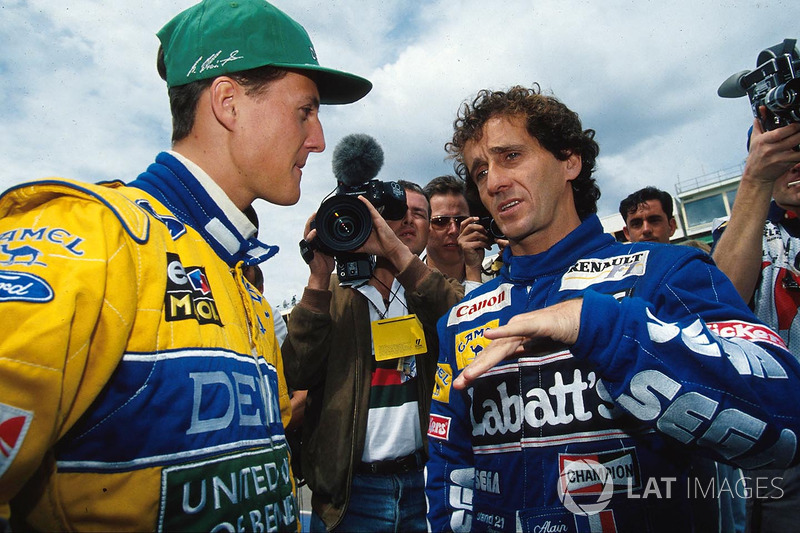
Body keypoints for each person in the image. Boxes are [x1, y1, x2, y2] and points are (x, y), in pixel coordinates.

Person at [0, 1, 371, 531]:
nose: (318, 139)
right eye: (304, 110)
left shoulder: (239, 277)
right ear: (228, 103)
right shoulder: (90, 240)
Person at [425, 85, 800, 533]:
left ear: (570, 160)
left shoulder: (665, 270)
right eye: (480, 169)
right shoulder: (465, 316)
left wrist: (602, 326)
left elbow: (784, 413)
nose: (493, 181)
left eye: (511, 156)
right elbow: (450, 464)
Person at [281, 181, 464, 532]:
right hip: (350, 496)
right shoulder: (333, 292)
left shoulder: (432, 289)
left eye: (421, 214)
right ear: (375, 219)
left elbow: (459, 329)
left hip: (422, 486)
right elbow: (297, 373)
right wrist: (319, 276)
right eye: (399, 213)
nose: (409, 221)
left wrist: (398, 256)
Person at [711, 115, 800, 533]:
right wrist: (755, 181)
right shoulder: (745, 232)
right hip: (785, 451)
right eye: (779, 154)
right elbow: (718, 301)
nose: (793, 163)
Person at [422, 175, 491, 286]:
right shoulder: (406, 284)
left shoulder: (496, 283)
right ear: (424, 226)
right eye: (440, 221)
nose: (453, 230)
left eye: (461, 221)